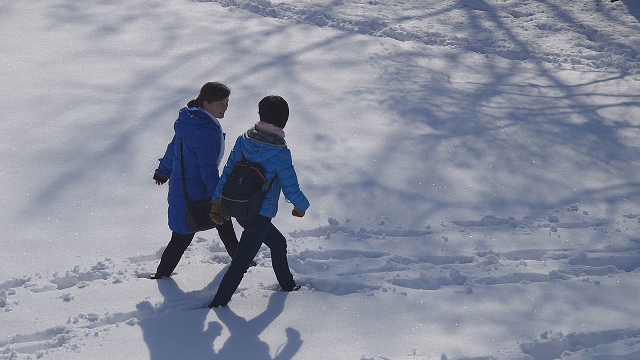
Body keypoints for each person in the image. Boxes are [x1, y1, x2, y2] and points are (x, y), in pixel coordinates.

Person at [208, 95, 310, 308]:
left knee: (278, 244)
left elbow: (227, 172)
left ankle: (287, 285)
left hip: (238, 208)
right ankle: (217, 304)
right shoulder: (280, 152)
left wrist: (217, 202)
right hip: (259, 215)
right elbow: (290, 185)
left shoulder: (243, 140)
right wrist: (301, 206)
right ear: (283, 120)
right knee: (239, 265)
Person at [151, 82, 241, 279]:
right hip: (193, 193)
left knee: (223, 221)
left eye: (227, 102)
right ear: (207, 103)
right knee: (182, 236)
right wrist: (219, 196)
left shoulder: (191, 121)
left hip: (188, 187)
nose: (225, 107)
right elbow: (207, 169)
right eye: (221, 103)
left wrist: (163, 172)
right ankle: (161, 276)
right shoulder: (204, 130)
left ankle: (241, 258)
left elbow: (172, 150)